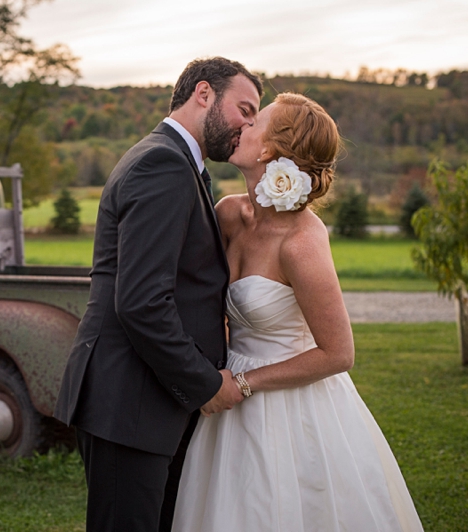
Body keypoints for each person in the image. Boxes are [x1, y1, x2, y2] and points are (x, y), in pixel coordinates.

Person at [171, 93, 424, 531]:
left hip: (289, 404)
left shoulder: (302, 242)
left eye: (253, 122)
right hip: (225, 399)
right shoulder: (229, 214)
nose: (240, 126)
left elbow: (339, 353)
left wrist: (243, 384)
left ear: (268, 150)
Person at [54, 57, 263, 531]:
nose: (248, 125)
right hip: (130, 404)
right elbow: (142, 302)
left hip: (143, 404)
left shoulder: (177, 162)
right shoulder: (163, 163)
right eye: (245, 109)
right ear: (204, 94)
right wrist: (204, 383)